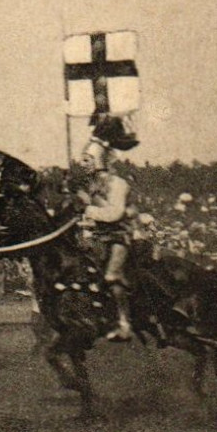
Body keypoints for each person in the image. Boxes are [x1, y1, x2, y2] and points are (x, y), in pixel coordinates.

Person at [77, 115, 140, 341]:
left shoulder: (117, 184)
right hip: (99, 239)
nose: (83, 165)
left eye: (87, 161)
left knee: (112, 276)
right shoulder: (91, 187)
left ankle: (125, 323)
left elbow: (115, 214)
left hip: (120, 237)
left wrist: (87, 210)